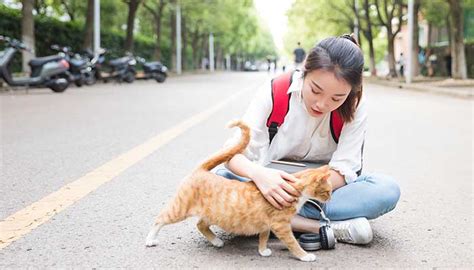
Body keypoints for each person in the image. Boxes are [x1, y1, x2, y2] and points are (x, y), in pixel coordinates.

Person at [215, 34, 401, 245]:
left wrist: (294, 189)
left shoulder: (356, 105)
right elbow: (231, 154)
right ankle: (320, 227)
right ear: (304, 70)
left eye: (336, 98)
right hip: (267, 186)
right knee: (220, 181)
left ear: (351, 91)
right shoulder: (275, 91)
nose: (321, 104)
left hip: (318, 192)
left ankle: (271, 219)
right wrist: (262, 177)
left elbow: (345, 169)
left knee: (386, 189)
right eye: (315, 90)